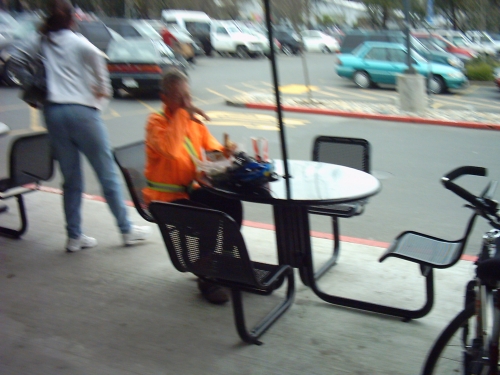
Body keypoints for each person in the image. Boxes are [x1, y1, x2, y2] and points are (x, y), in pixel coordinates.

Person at [33, 0, 151, 252]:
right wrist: (96, 108)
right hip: (82, 112)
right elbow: (104, 84)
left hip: (53, 113)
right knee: (107, 173)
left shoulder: (42, 42)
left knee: (71, 178)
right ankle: (126, 230)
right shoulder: (81, 44)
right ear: (73, 18)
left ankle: (74, 236)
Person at [143, 69, 242, 304]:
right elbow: (171, 149)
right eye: (180, 98)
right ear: (164, 98)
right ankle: (207, 278)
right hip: (165, 199)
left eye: (189, 96)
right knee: (207, 218)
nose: (187, 103)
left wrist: (226, 152)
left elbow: (211, 149)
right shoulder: (155, 123)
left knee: (232, 205)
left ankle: (225, 261)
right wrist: (181, 116)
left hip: (191, 191)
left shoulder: (193, 123)